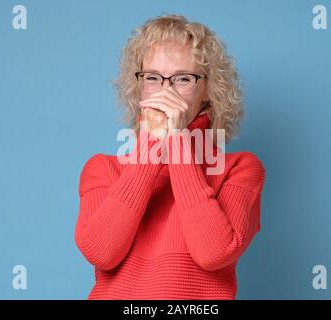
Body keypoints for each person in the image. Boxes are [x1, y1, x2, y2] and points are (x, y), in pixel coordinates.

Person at [75, 14, 266, 300]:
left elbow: (213, 254)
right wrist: (152, 143)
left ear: (208, 91)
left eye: (183, 79)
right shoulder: (103, 169)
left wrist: (177, 141)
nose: (165, 91)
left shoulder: (239, 169)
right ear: (139, 87)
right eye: (152, 78)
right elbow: (102, 253)